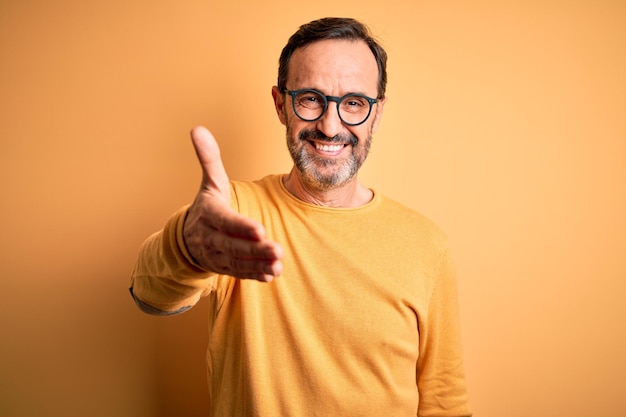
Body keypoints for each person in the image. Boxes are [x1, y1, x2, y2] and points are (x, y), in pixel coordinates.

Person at [130, 17, 472, 417]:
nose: (330, 126)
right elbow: (151, 296)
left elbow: (444, 398)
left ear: (376, 114)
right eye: (311, 98)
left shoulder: (427, 244)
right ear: (280, 104)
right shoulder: (232, 215)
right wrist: (185, 246)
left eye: (354, 103)